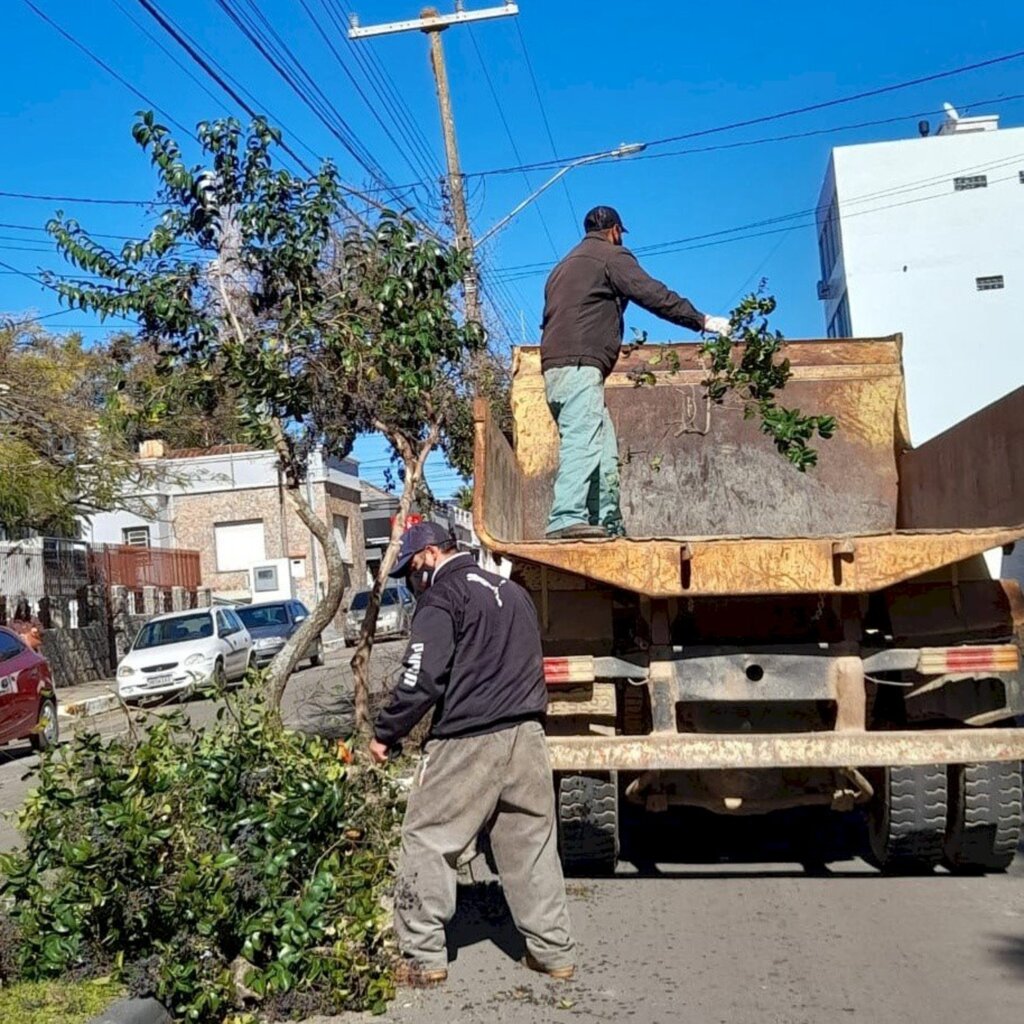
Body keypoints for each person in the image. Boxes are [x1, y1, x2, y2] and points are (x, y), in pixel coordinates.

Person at [369, 521, 575, 987]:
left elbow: (421, 678)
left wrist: (386, 733)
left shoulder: (443, 598)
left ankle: (422, 958)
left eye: (411, 570)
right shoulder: (512, 593)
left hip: (468, 738)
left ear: (428, 556)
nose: (412, 581)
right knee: (532, 846)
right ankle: (554, 952)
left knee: (427, 838)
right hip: (526, 736)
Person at [540, 205, 731, 539]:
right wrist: (702, 321)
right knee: (583, 444)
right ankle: (565, 518)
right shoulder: (609, 256)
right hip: (579, 366)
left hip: (559, 370)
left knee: (604, 451)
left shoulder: (561, 268)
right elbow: (652, 293)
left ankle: (606, 524)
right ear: (615, 231)